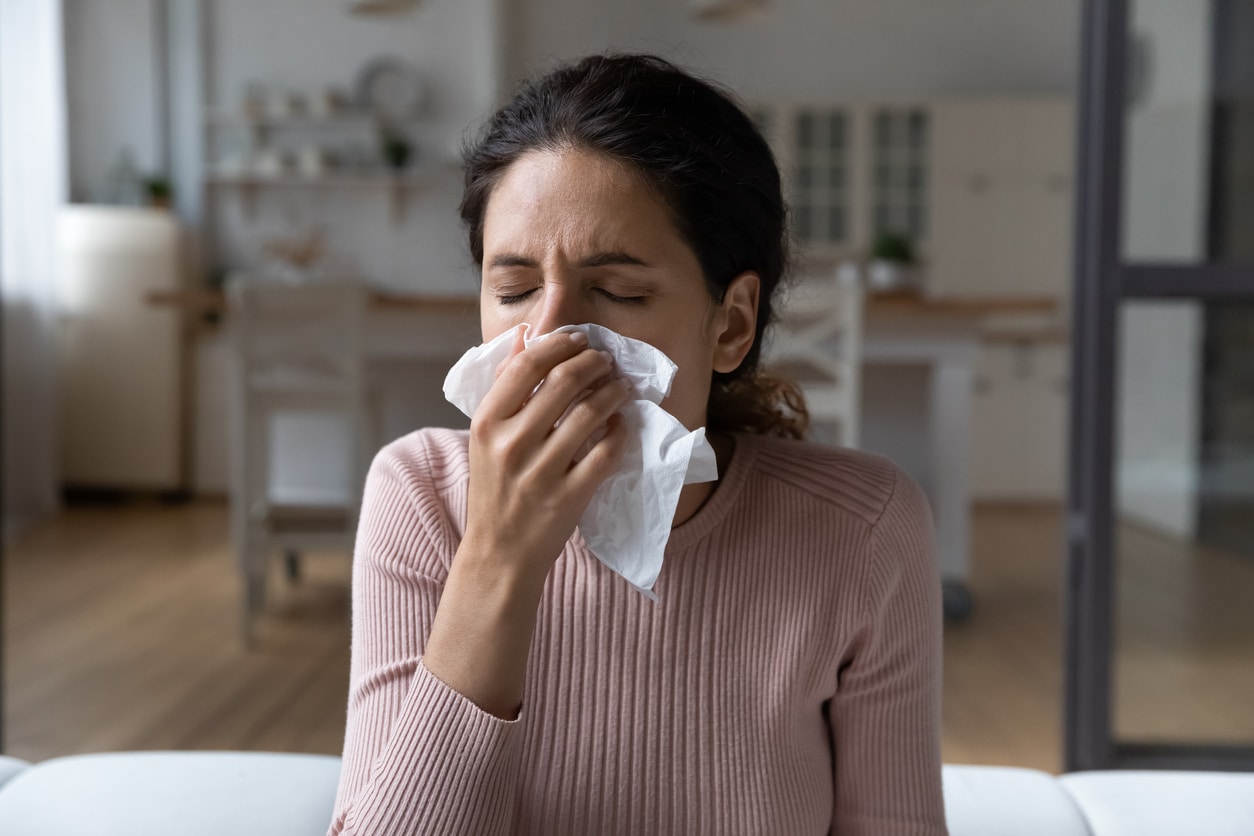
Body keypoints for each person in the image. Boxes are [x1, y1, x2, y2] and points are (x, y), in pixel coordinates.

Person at [328, 53, 947, 835]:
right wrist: (497, 560)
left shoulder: (864, 529)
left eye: (619, 292)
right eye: (513, 288)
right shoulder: (420, 496)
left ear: (731, 323)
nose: (545, 333)